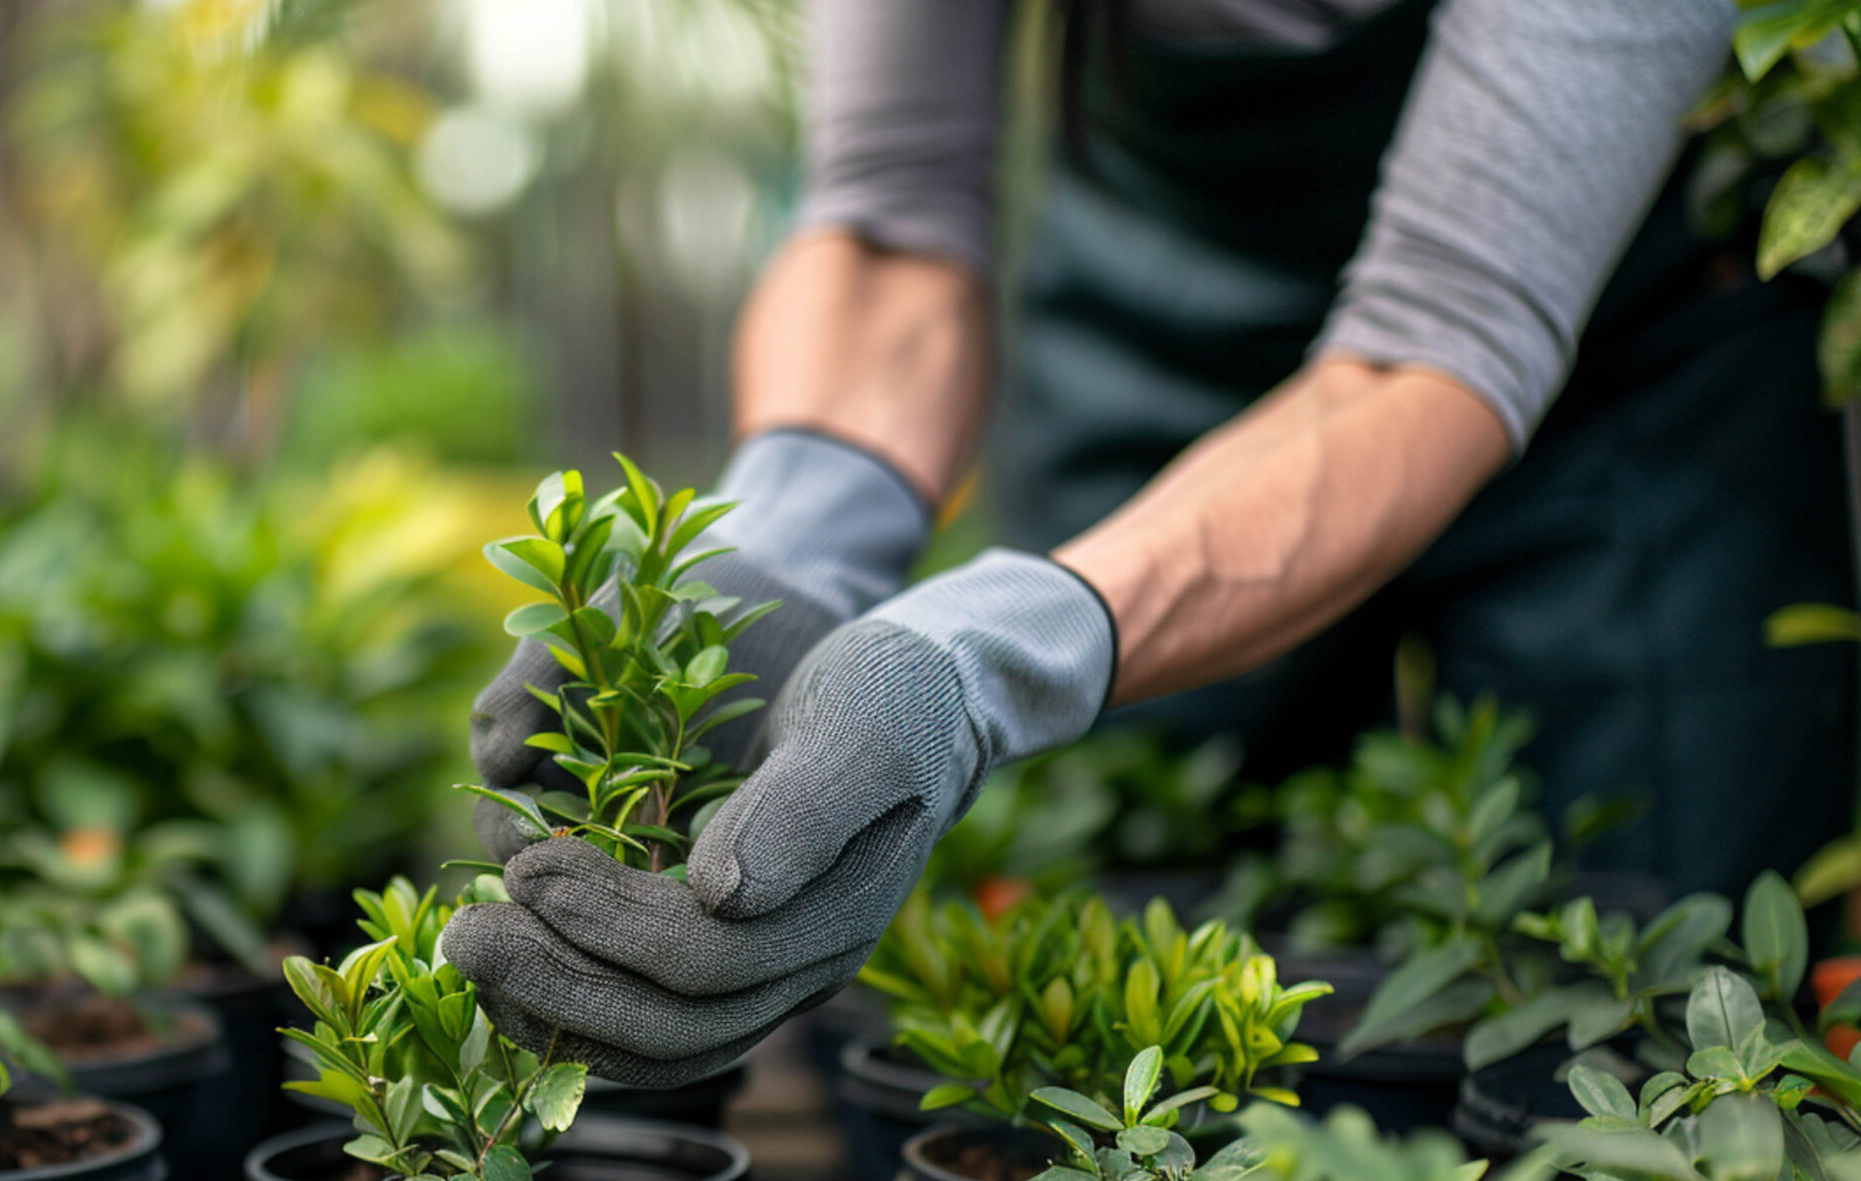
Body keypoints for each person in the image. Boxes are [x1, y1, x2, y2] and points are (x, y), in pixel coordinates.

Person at [443, 0, 1859, 1087]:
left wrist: (993, 651)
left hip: (1634, 383)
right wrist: (801, 538)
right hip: (1155, 316)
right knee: (1123, 978)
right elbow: (889, 216)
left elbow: (1437, 333)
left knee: (1652, 994)